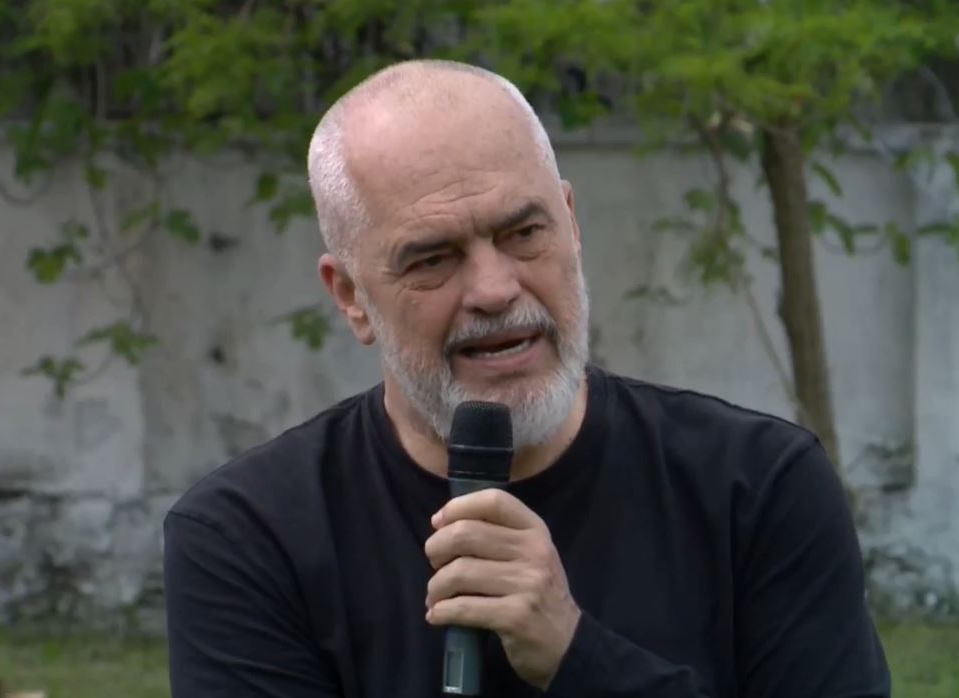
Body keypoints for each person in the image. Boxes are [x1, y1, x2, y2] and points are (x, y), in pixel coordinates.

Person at [162, 59, 892, 697]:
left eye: (523, 233)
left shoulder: (756, 489)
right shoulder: (249, 537)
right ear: (351, 296)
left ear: (570, 224)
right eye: (432, 258)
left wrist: (575, 655)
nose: (494, 289)